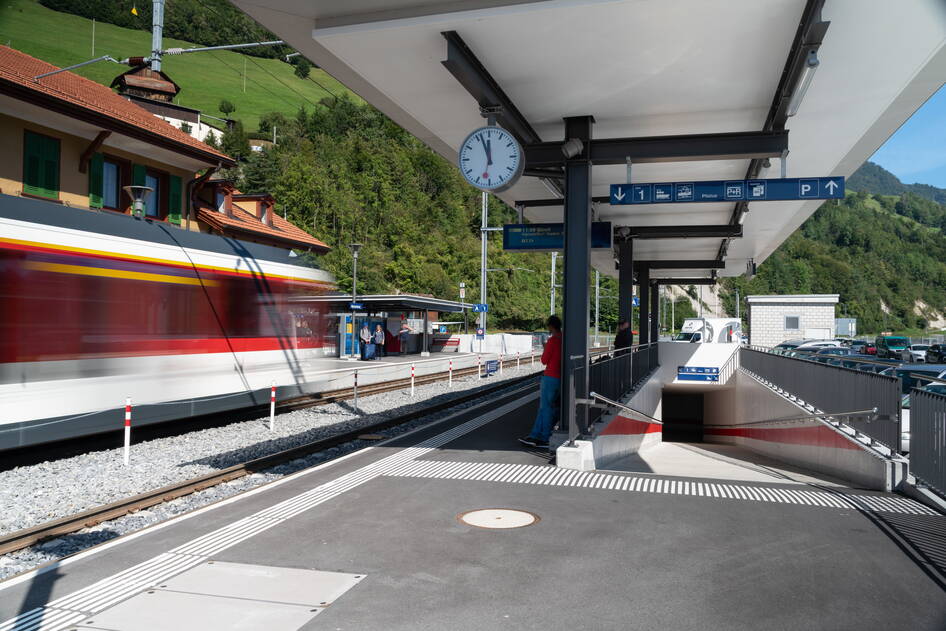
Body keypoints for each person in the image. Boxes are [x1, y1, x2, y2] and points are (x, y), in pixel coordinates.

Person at [519, 315, 562, 450]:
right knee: (545, 408)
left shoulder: (552, 341)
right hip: (562, 377)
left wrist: (545, 347)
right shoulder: (565, 339)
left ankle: (544, 438)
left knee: (546, 408)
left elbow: (544, 360)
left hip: (550, 377)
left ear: (550, 326)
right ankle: (535, 435)